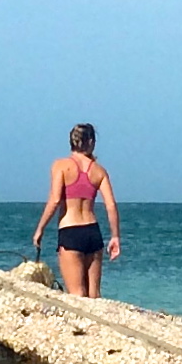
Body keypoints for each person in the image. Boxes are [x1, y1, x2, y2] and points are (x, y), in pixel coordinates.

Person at [32, 122, 121, 296]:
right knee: (94, 295)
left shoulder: (61, 165)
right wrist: (115, 236)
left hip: (70, 231)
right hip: (93, 232)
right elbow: (110, 205)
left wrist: (40, 229)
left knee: (77, 295)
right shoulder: (99, 171)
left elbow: (55, 200)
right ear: (91, 142)